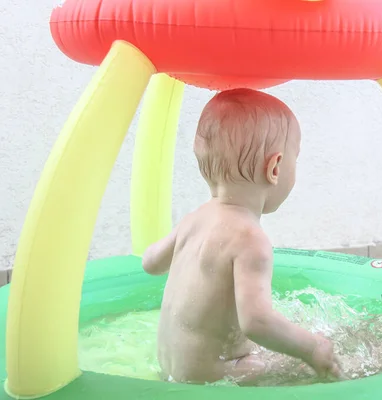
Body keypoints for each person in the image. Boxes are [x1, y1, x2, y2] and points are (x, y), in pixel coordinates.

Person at [142, 88, 342, 385]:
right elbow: (257, 322)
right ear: (275, 167)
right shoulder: (250, 239)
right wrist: (312, 347)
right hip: (209, 379)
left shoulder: (193, 219)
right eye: (294, 159)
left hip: (169, 367)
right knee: (291, 366)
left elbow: (150, 263)